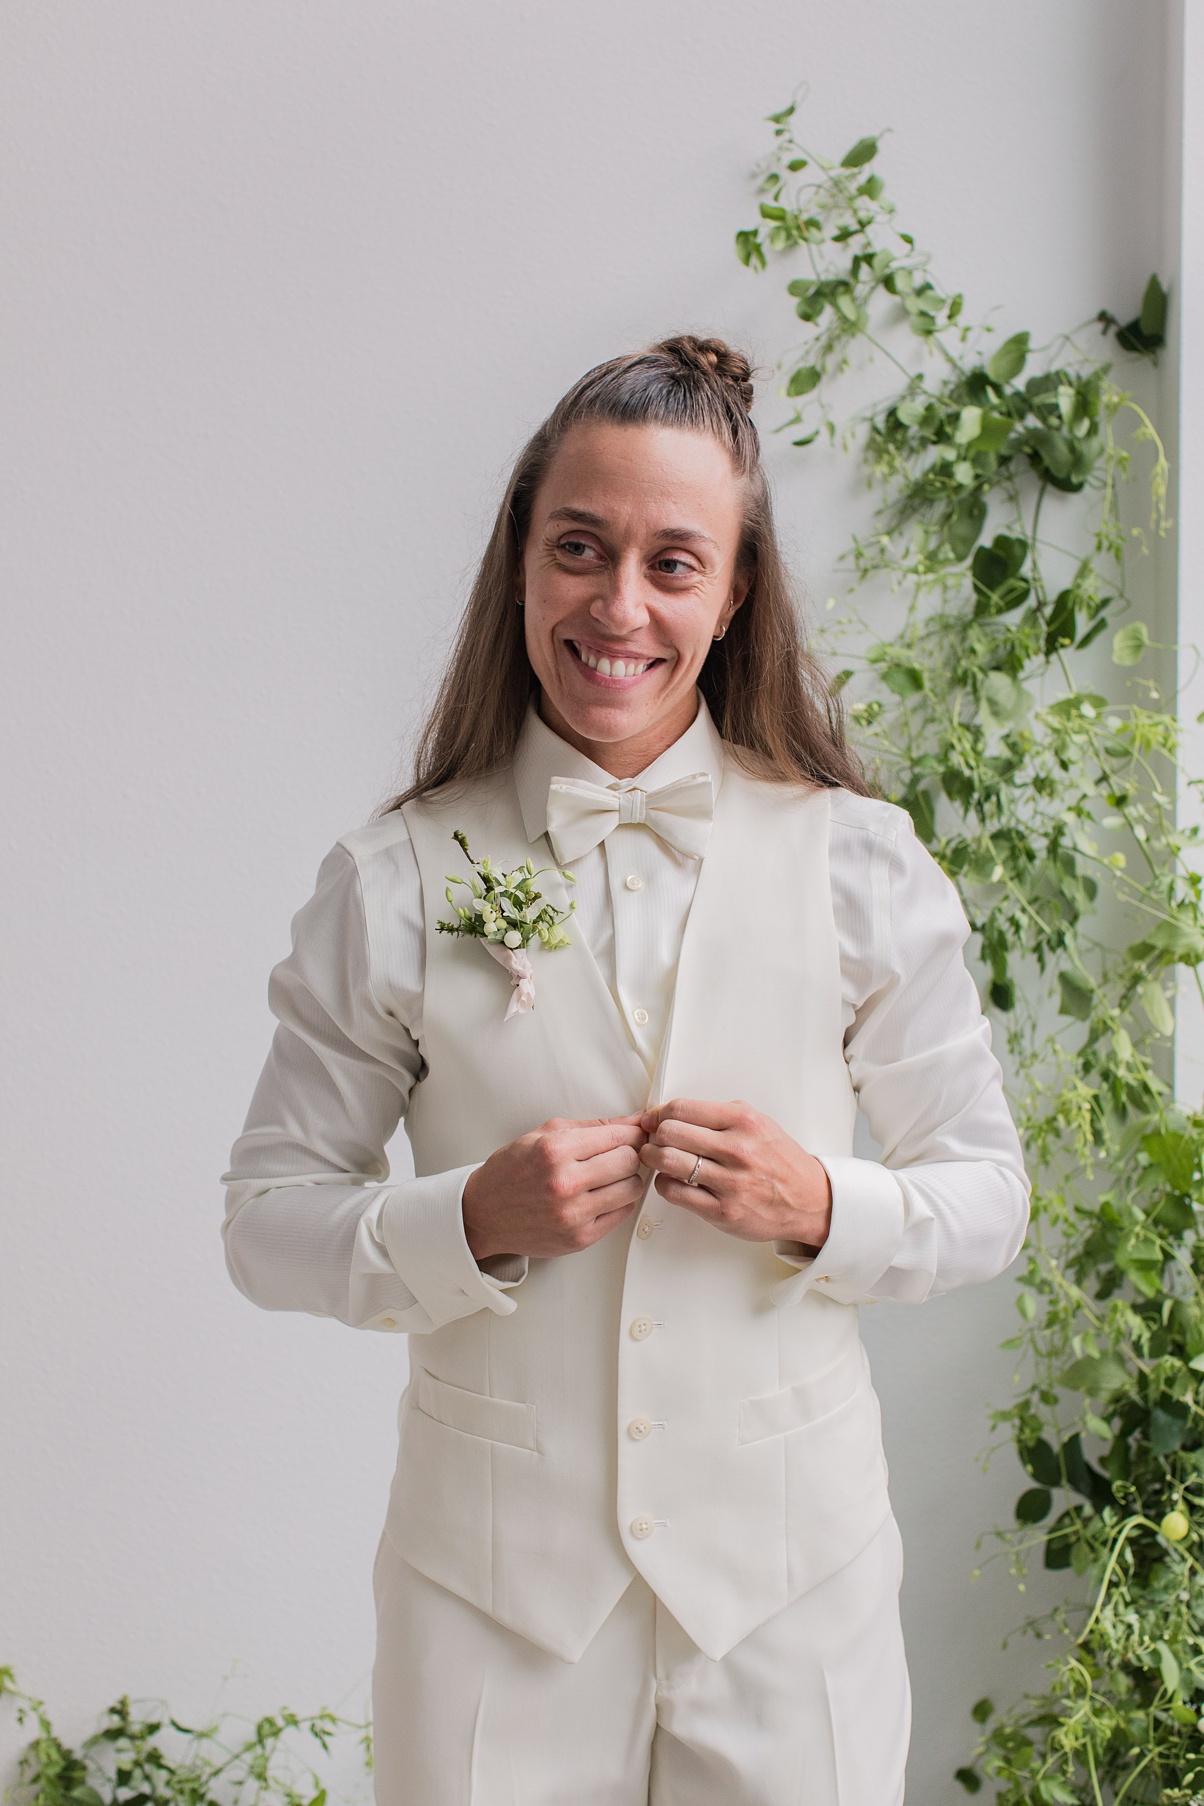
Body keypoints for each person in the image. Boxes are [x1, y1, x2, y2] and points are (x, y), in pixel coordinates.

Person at [222, 335, 1029, 1805]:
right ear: (523, 563)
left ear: (732, 593)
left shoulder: (860, 862)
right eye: (580, 548)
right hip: (490, 1599)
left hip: (794, 1586)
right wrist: (461, 1221)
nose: (620, 604)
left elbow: (988, 1195)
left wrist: (820, 1201)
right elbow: (266, 1217)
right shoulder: (397, 879)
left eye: (673, 561)